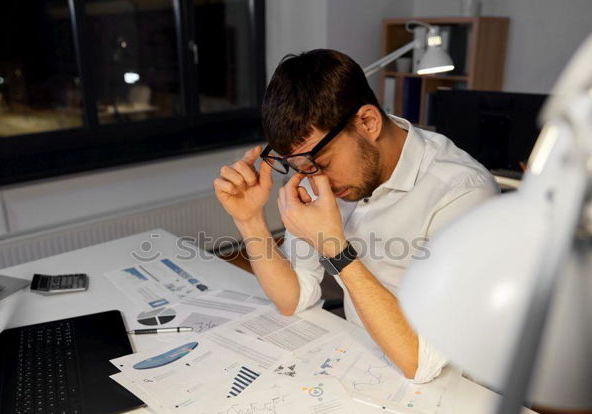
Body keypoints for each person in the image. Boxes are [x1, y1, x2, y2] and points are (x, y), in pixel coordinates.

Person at [213, 49, 499, 383]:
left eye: (322, 163)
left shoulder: (462, 194)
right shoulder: (326, 177)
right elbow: (294, 298)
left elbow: (421, 360)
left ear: (368, 122)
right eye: (301, 169)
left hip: (451, 386)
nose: (315, 180)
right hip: (368, 358)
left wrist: (336, 249)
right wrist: (250, 221)